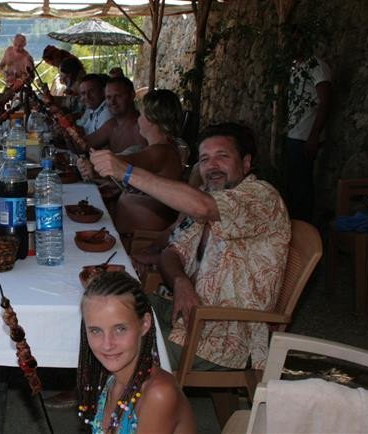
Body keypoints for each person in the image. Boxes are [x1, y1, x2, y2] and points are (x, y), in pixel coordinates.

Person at [90, 123, 290, 370]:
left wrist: (127, 172)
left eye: (222, 157)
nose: (212, 166)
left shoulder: (261, 197)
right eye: (205, 159)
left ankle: (109, 397)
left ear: (246, 163)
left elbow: (202, 207)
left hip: (223, 335)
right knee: (106, 305)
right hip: (183, 310)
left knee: (117, 342)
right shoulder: (210, 197)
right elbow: (171, 253)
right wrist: (181, 282)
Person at [78, 271, 196, 433]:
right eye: (96, 331)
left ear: (145, 324)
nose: (107, 345)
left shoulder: (159, 394)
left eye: (120, 329)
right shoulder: (110, 377)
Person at [80, 89, 184, 235]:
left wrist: (97, 163)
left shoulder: (161, 152)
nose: (138, 119)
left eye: (141, 114)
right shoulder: (163, 149)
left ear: (152, 118)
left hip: (141, 240)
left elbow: (127, 163)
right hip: (132, 235)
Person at [284, 33, 332, 223]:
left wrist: (314, 135)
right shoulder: (296, 68)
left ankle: (306, 232)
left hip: (305, 136)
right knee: (293, 188)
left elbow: (325, 101)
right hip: (293, 134)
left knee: (302, 188)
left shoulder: (317, 66)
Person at [85, 77, 146, 154]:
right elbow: (83, 145)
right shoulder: (112, 125)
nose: (112, 102)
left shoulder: (143, 127)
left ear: (132, 95)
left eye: (118, 96)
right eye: (108, 97)